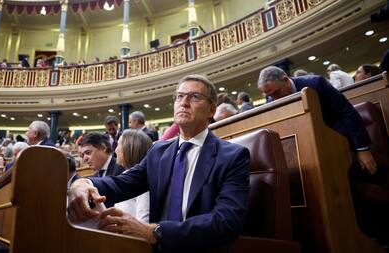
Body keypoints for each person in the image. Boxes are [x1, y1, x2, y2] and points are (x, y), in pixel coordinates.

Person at [68, 74, 250, 252]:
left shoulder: (232, 155)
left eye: (194, 97)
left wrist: (154, 232)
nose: (184, 103)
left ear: (211, 110)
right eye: (179, 96)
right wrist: (84, 183)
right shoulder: (158, 152)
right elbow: (122, 183)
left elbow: (227, 221)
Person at [257, 66, 377, 175]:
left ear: (286, 80)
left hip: (340, 143)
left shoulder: (316, 84)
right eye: (269, 95)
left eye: (277, 92)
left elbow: (347, 112)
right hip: (306, 151)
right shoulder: (271, 100)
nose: (274, 99)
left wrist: (362, 149)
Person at [113, 129, 152, 223]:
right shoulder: (125, 173)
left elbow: (143, 223)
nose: (115, 150)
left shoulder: (142, 180)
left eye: (119, 144)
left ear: (129, 149)